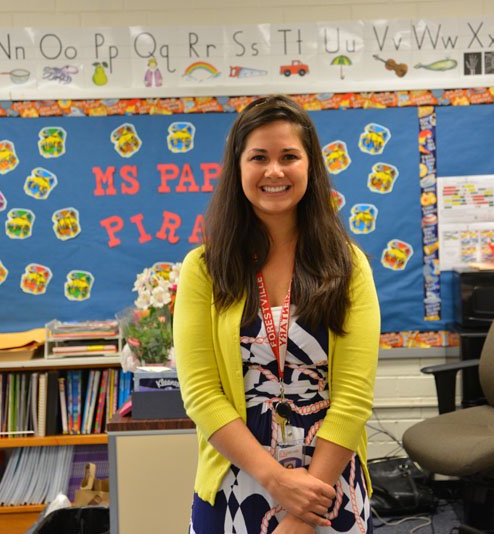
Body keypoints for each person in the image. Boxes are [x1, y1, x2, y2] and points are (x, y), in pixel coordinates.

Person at [174, 94, 380, 533]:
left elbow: (354, 399)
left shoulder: (349, 266)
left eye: (289, 156)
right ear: (238, 168)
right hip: (235, 478)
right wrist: (278, 482)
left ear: (311, 166)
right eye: (259, 157)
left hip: (328, 485)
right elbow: (202, 397)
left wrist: (304, 512)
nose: (274, 171)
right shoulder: (204, 270)